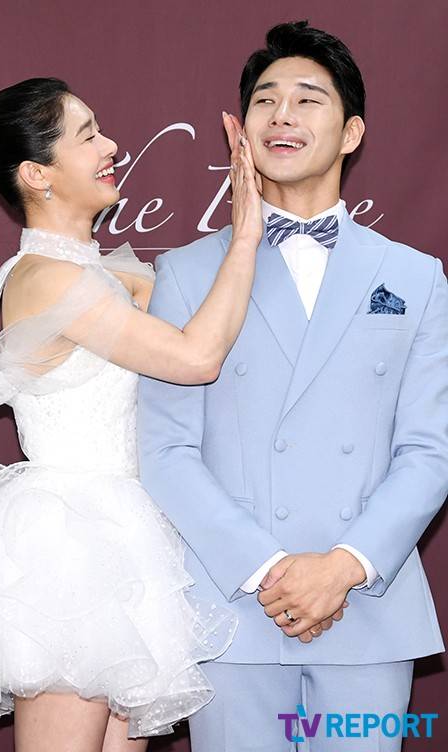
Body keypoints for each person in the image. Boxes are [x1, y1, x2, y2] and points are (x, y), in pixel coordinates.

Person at [137, 20, 448, 752]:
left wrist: (343, 566)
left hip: (367, 606)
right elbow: (166, 449)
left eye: (308, 99)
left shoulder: (414, 276)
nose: (283, 115)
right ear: (241, 131)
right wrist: (267, 569)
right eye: (265, 100)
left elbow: (430, 449)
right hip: (233, 609)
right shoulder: (186, 273)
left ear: (351, 133)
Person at [0, 76, 263, 752]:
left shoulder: (100, 272)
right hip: (71, 547)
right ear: (37, 174)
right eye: (87, 136)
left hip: (128, 532)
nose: (112, 146)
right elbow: (196, 356)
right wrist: (247, 233)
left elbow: (202, 322)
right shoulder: (50, 279)